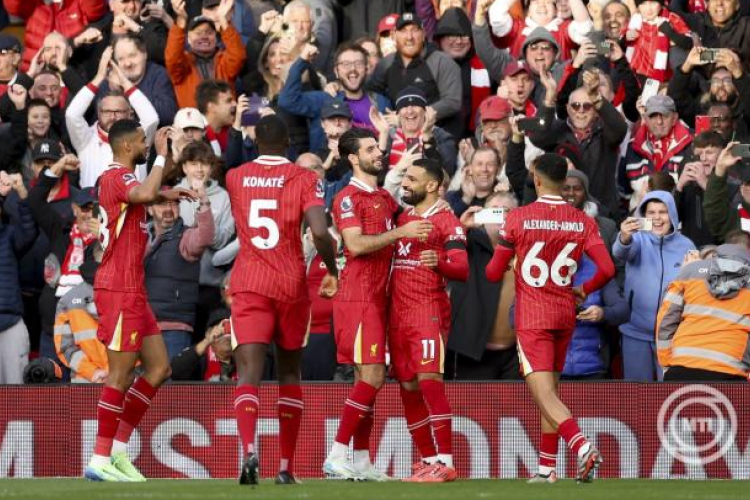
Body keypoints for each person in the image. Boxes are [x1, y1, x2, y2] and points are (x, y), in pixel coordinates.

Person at [485, 153, 615, 483]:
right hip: (564, 312)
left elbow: (492, 273)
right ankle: (546, 469)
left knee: (543, 393)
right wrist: (584, 289)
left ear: (537, 179)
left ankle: (583, 447)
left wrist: (510, 260)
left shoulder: (518, 218)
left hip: (533, 315)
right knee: (551, 391)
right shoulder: (582, 221)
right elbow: (608, 268)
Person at [224, 115, 338, 486]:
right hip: (290, 283)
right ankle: (286, 467)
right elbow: (319, 231)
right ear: (289, 143)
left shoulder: (236, 177)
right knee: (289, 374)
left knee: (248, 374)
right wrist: (332, 267)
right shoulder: (304, 178)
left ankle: (248, 451)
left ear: (256, 142)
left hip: (249, 282)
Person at [84, 120, 194, 482]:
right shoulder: (117, 176)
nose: (147, 146)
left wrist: (167, 192)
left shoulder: (120, 179)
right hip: (118, 288)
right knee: (120, 375)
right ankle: (100, 458)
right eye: (143, 142)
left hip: (133, 289)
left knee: (160, 369)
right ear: (128, 146)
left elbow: (141, 195)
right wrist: (161, 157)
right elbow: (142, 194)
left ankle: (117, 450)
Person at [323, 128, 431, 481]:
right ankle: (336, 454)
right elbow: (354, 245)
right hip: (359, 297)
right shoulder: (347, 198)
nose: (378, 153)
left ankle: (361, 459)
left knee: (365, 380)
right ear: (353, 158)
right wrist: (400, 233)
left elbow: (413, 218)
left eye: (377, 147)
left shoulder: (384, 197)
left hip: (379, 298)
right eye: (370, 149)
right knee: (373, 375)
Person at [390, 158, 468, 482]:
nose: (405, 183)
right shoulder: (403, 218)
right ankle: (428, 460)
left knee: (429, 382)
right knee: (408, 387)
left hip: (427, 310)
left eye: (412, 178)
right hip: (397, 315)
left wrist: (440, 262)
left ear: (432, 185)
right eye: (405, 177)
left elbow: (462, 269)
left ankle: (446, 462)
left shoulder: (447, 221)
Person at [613, 190, 696, 382]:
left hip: (673, 336)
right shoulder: (637, 239)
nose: (657, 217)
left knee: (670, 392)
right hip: (635, 332)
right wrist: (624, 237)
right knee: (635, 392)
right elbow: (620, 252)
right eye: (651, 212)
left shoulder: (687, 245)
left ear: (672, 215)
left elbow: (694, 285)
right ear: (643, 216)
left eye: (663, 212)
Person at [446, 193, 522, 381]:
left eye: (506, 211)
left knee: (517, 401)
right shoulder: (469, 242)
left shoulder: (525, 249)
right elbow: (440, 253)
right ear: (483, 215)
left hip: (517, 353)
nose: (500, 216)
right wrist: (462, 227)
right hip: (471, 352)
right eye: (495, 211)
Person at [65, 47, 159, 188]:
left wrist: (124, 81)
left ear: (130, 114)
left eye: (119, 112)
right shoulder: (86, 139)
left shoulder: (139, 138)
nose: (113, 117)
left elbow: (151, 118)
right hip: (93, 201)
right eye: (107, 111)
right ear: (99, 113)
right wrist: (99, 77)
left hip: (132, 202)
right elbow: (72, 114)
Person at [657, 243, 750, 381]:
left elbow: (666, 318)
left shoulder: (690, 271)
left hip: (682, 364)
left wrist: (666, 363)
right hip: (731, 371)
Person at [145, 182, 215, 361]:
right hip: (141, 326)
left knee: (171, 378)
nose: (169, 209)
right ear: (149, 209)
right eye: (162, 204)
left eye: (174, 204)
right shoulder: (140, 237)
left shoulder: (186, 236)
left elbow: (205, 237)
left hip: (173, 328)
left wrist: (203, 200)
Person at [166, 0, 245, 108]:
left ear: (216, 37)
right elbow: (172, 58)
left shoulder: (223, 62)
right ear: (188, 39)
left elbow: (238, 56)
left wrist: (223, 21)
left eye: (209, 32)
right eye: (198, 33)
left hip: (223, 117)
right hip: (194, 118)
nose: (204, 36)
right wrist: (181, 21)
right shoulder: (183, 64)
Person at [0, 171, 37, 384]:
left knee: (16, 394)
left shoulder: (9, 235)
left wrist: (21, 192)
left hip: (11, 323)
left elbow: (30, 229)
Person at [624, 0, 692, 83]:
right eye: (643, 4)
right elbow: (618, 43)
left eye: (653, 3)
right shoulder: (635, 21)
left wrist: (671, 33)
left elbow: (690, 42)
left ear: (660, 4)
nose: (648, 8)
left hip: (666, 77)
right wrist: (626, 36)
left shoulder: (671, 18)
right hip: (638, 73)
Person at [703, 141, 750, 241]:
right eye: (747, 183)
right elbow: (714, 207)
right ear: (741, 188)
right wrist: (720, 167)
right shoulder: (733, 220)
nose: (748, 188)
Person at [195, 79, 236, 156]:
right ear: (211, 107)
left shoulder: (234, 129)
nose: (234, 104)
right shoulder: (196, 136)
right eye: (228, 101)